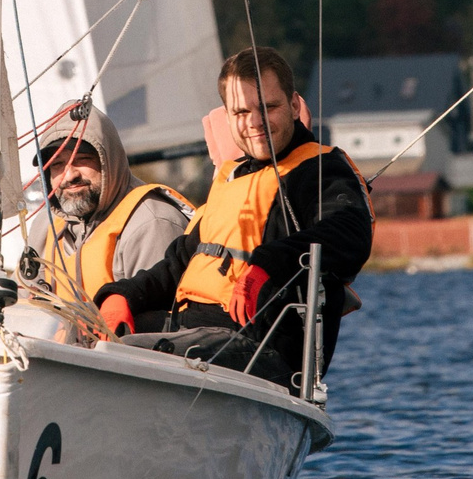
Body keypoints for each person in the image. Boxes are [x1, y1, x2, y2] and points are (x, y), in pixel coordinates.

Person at [94, 47, 370, 388]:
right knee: (83, 340)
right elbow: (179, 262)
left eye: (268, 107)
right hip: (192, 332)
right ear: (228, 117)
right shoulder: (231, 178)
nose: (255, 122)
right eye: (241, 111)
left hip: (262, 349)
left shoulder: (320, 170)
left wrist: (265, 265)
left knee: (120, 356)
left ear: (295, 106)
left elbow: (350, 232)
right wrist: (122, 294)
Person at [25, 106, 192, 332]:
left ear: (108, 160)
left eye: (82, 159)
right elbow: (26, 309)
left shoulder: (152, 223)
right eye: (57, 164)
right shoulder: (46, 226)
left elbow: (160, 334)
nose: (70, 175)